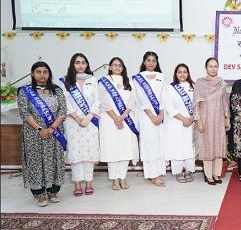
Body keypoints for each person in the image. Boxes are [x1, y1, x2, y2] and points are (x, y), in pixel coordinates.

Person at [17, 61, 67, 207]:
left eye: (45, 72)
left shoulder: (57, 90)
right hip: (33, 134)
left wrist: (51, 129)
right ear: (33, 74)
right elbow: (24, 113)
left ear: (49, 74)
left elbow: (62, 111)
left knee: (54, 160)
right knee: (35, 162)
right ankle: (39, 194)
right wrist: (40, 129)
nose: (42, 75)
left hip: (55, 133)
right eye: (38, 72)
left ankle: (53, 191)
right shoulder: (24, 90)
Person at [60, 53, 100, 197]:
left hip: (90, 121)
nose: (81, 65)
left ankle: (89, 182)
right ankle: (77, 183)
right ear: (73, 64)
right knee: (75, 152)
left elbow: (97, 101)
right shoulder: (66, 81)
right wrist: (77, 118)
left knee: (89, 151)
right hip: (73, 122)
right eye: (77, 62)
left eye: (83, 62)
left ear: (87, 64)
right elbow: (65, 102)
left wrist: (88, 117)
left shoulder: (93, 80)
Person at [98, 57, 139, 190]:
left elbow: (132, 101)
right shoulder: (104, 82)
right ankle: (115, 179)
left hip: (125, 119)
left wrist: (123, 116)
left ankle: (123, 177)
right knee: (112, 149)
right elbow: (103, 101)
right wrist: (116, 118)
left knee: (125, 148)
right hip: (109, 119)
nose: (117, 67)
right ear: (109, 67)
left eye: (120, 65)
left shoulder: (129, 82)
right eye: (114, 65)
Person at [193, 57, 230, 185]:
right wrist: (198, 120)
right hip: (205, 118)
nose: (213, 69)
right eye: (211, 66)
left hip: (219, 119)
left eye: (215, 66)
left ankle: (216, 174)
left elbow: (225, 102)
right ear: (206, 68)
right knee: (207, 146)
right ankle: (208, 175)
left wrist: (227, 118)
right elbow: (196, 104)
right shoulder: (200, 83)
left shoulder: (221, 83)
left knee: (219, 146)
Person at [133, 51, 167, 187]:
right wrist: (152, 116)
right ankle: (152, 174)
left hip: (160, 116)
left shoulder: (161, 76)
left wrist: (161, 114)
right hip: (146, 116)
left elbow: (164, 96)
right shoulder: (138, 78)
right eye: (148, 60)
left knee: (160, 144)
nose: (151, 63)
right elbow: (140, 99)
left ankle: (158, 171)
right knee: (149, 143)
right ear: (144, 62)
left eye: (154, 60)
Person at [163, 63, 196, 183]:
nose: (182, 74)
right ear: (176, 74)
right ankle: (178, 171)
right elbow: (169, 108)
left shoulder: (194, 86)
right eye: (179, 72)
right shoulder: (170, 88)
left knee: (189, 147)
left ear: (188, 73)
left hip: (190, 122)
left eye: (185, 72)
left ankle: (188, 170)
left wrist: (191, 119)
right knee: (177, 147)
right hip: (176, 122)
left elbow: (197, 105)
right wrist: (184, 119)